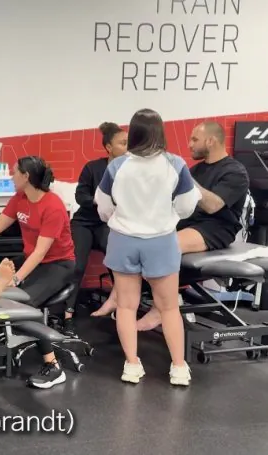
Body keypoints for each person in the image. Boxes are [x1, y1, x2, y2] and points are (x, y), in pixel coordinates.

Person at [91, 121, 250, 331]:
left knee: (163, 246)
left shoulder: (234, 171)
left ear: (211, 141)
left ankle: (159, 308)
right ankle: (118, 297)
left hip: (216, 228)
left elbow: (213, 206)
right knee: (133, 241)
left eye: (195, 139)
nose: (189, 144)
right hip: (186, 222)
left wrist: (184, 178)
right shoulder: (197, 169)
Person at [94, 108, 202, 386]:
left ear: (133, 133)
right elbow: (187, 206)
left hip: (123, 240)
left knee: (126, 306)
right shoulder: (175, 164)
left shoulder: (117, 165)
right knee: (169, 308)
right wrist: (169, 214)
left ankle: (131, 365)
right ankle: (179, 368)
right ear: (160, 133)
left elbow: (103, 206)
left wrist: (121, 218)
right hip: (161, 241)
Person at [0, 156, 76, 389]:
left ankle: (53, 366)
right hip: (31, 259)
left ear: (26, 176)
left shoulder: (53, 206)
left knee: (23, 303)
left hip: (58, 265)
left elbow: (40, 252)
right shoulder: (20, 198)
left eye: (14, 172)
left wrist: (17, 279)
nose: (11, 176)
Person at [64, 122, 128, 336]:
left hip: (109, 224)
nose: (127, 148)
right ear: (109, 147)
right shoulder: (93, 168)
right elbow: (80, 196)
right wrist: (98, 201)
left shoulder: (131, 171)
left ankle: (122, 309)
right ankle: (67, 314)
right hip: (84, 223)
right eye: (123, 143)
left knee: (118, 261)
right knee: (77, 266)